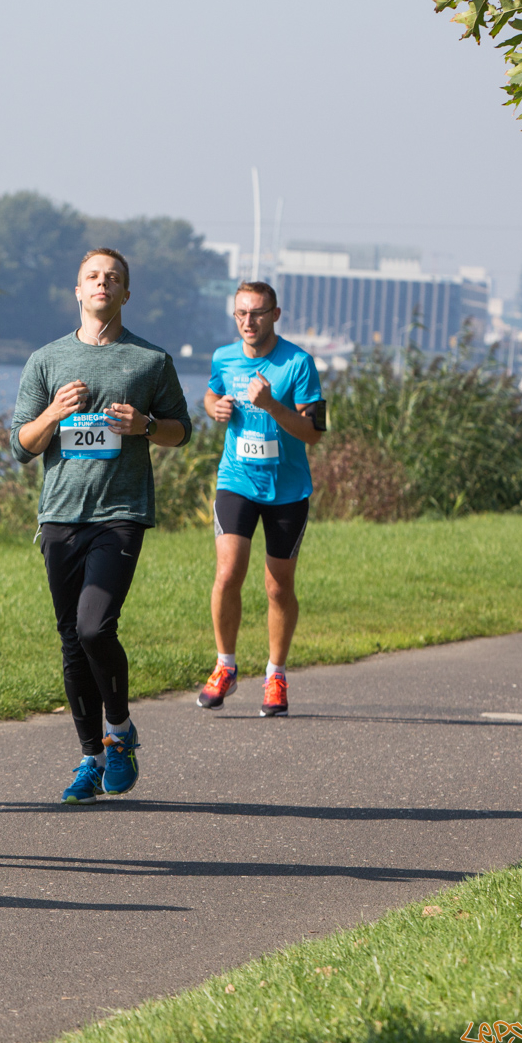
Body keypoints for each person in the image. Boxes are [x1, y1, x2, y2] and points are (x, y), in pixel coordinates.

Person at [10, 248, 191, 805]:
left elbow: (182, 431)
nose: (102, 285)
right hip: (60, 514)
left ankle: (120, 732)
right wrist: (53, 415)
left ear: (125, 293)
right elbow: (21, 445)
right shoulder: (47, 359)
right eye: (93, 276)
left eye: (113, 278)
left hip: (121, 514)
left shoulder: (150, 361)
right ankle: (91, 756)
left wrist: (146, 424)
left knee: (94, 627)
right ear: (78, 290)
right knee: (70, 640)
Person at [196, 281, 325, 717]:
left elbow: (314, 432)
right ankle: (225, 666)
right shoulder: (223, 357)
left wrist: (271, 405)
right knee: (228, 571)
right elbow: (213, 391)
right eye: (240, 314)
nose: (248, 322)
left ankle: (275, 674)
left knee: (277, 586)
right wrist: (214, 406)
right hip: (236, 479)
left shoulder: (299, 363)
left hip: (287, 489)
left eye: (257, 313)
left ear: (275, 314)